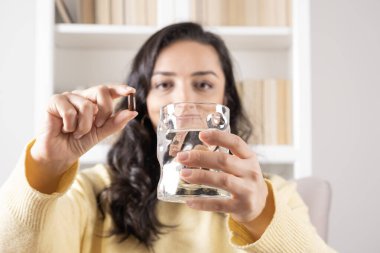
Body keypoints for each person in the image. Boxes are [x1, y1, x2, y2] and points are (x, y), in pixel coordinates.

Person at [0, 22, 336, 253]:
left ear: (226, 101)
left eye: (203, 84)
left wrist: (260, 215)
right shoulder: (92, 193)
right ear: (143, 102)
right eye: (163, 84)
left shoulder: (271, 195)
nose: (183, 100)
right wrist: (46, 164)